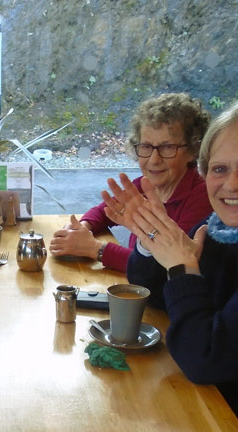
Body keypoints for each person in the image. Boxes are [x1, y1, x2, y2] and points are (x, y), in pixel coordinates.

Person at [101, 100, 238, 414]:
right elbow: (159, 297)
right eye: (220, 169)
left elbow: (204, 358)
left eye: (167, 147)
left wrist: (183, 269)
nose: (231, 184)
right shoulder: (217, 231)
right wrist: (151, 241)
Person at [49, 93, 213, 272]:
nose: (154, 160)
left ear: (193, 150)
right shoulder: (144, 186)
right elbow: (105, 211)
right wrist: (80, 228)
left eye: (167, 147)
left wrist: (93, 248)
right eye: (146, 146)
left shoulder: (203, 198)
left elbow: (160, 269)